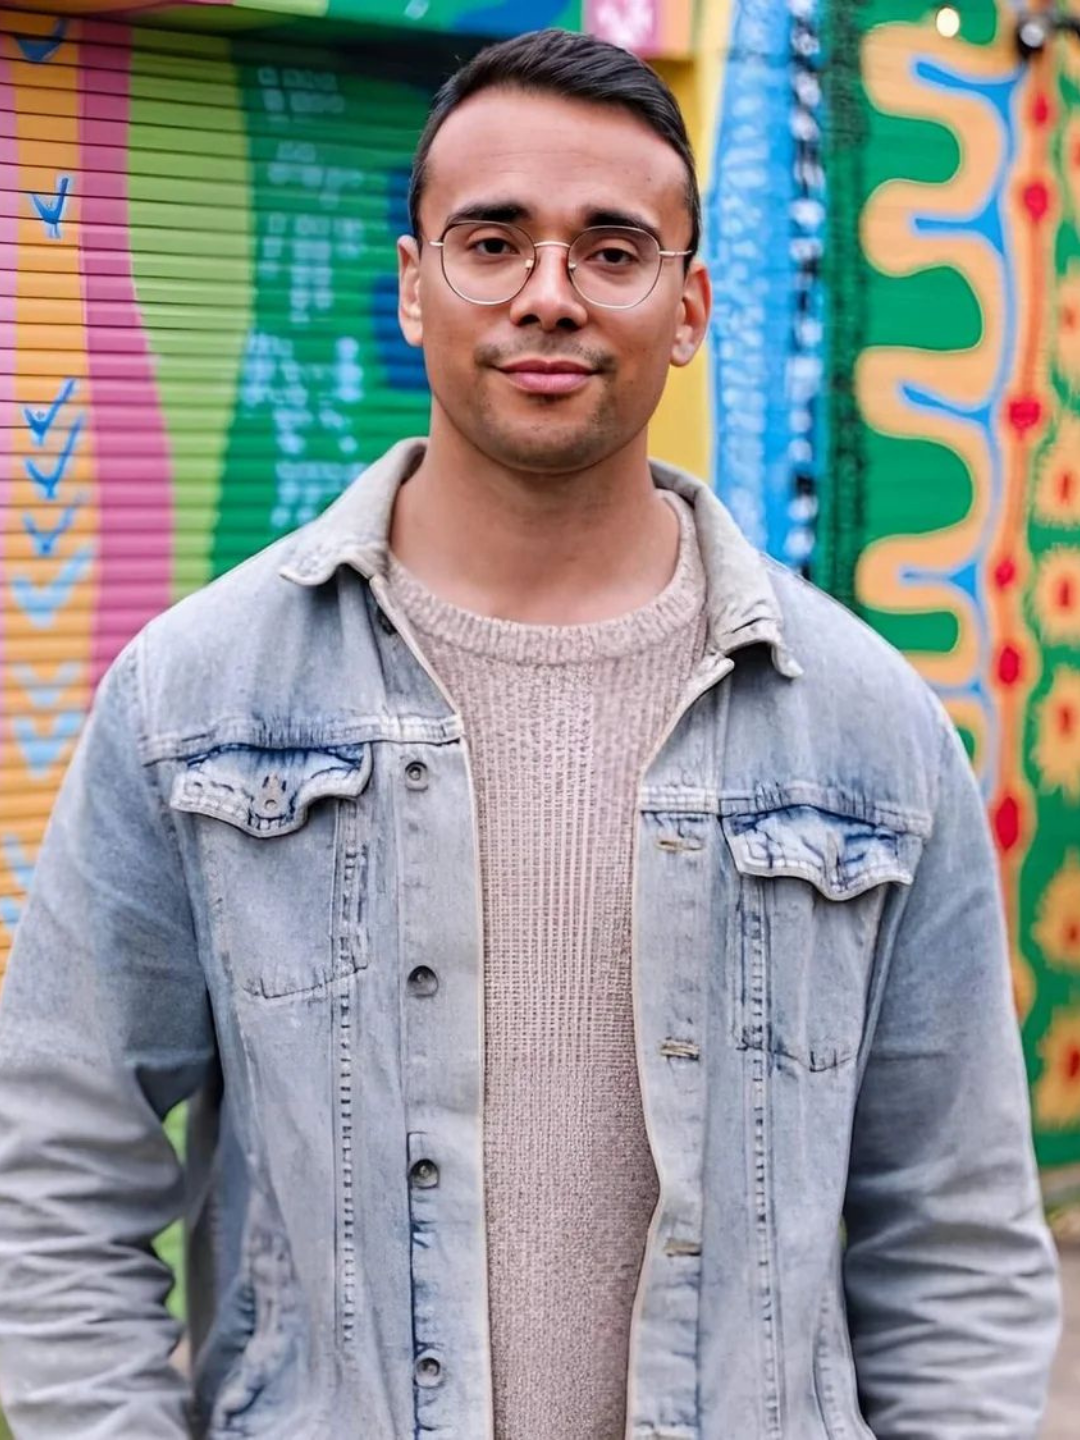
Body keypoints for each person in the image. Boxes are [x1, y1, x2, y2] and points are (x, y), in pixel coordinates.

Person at [0, 26, 1061, 1440]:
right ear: (413, 289)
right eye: (492, 241)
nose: (548, 295)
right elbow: (57, 1186)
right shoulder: (194, 696)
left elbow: (955, 1244)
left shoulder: (871, 732)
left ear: (688, 308)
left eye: (610, 251)